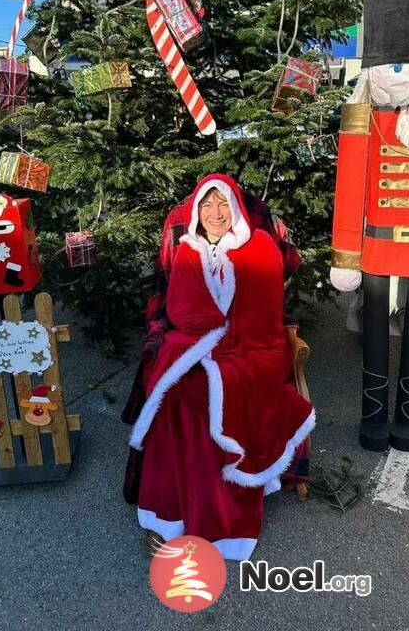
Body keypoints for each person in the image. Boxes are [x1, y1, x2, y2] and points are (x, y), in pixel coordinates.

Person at [126, 173, 315, 560]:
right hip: (198, 342)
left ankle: (218, 521)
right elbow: (181, 310)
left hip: (253, 349)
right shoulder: (188, 249)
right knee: (175, 393)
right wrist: (204, 343)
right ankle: (174, 515)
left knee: (209, 395)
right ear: (197, 210)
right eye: (208, 205)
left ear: (236, 207)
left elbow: (262, 317)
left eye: (223, 203)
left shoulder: (260, 245)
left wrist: (223, 346)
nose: (216, 212)